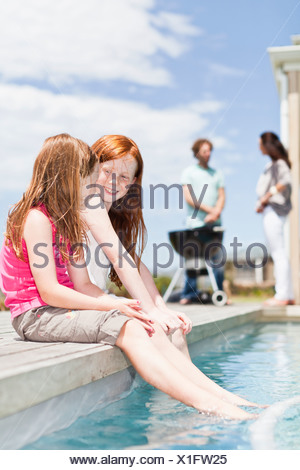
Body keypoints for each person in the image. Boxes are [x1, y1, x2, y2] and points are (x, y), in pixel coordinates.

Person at [0, 133, 260, 420]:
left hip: (79, 300)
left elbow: (127, 262)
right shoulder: (58, 213)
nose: (108, 182)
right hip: (50, 310)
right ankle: (207, 404)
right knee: (140, 325)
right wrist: (134, 308)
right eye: (100, 173)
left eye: (125, 177)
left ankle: (206, 400)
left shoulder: (72, 218)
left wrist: (157, 307)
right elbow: (59, 287)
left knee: (164, 328)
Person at [180, 138, 225, 305]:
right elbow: (189, 197)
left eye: (210, 150)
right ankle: (188, 294)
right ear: (197, 153)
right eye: (205, 151)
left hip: (215, 223)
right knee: (193, 260)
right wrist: (209, 210)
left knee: (217, 260)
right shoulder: (189, 172)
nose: (208, 154)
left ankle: (220, 294)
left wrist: (216, 212)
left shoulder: (217, 173)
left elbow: (222, 195)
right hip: (195, 223)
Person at [256, 131, 294, 306]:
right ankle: (288, 294)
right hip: (270, 209)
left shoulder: (279, 164)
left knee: (278, 253)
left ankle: (282, 295)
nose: (259, 146)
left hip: (274, 210)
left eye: (260, 143)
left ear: (267, 145)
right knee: (279, 252)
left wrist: (266, 197)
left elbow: (286, 180)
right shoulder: (271, 165)